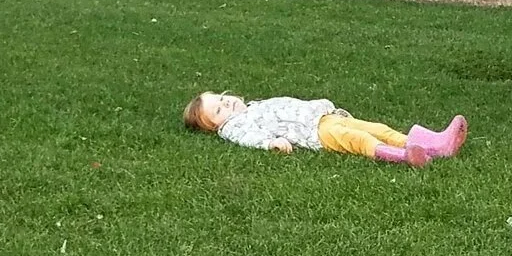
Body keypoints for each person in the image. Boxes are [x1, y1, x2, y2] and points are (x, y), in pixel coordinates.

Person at [183, 93, 466, 165]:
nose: (226, 104)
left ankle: (437, 145)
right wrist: (271, 144)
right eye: (218, 111)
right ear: (214, 127)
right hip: (316, 133)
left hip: (328, 117)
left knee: (377, 127)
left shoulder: (254, 106)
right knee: (357, 139)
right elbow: (250, 138)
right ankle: (404, 156)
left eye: (222, 99)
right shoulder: (236, 127)